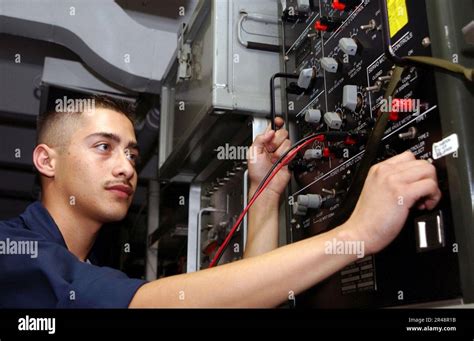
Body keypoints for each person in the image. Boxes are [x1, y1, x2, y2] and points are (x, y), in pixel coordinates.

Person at [0, 95, 441, 308]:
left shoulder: (94, 271)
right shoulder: (13, 254)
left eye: (132, 153)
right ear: (46, 160)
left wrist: (264, 194)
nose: (126, 168)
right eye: (104, 147)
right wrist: (356, 234)